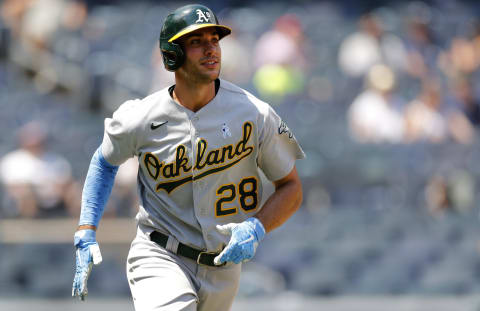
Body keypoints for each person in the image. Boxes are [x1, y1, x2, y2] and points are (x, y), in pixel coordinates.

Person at [71, 4, 305, 311]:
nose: (211, 50)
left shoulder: (255, 113)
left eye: (214, 40)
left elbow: (291, 187)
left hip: (223, 266)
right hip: (161, 254)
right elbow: (104, 161)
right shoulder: (142, 117)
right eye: (197, 42)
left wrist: (257, 228)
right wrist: (87, 229)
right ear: (172, 54)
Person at [0, 121, 80, 218]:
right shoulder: (12, 160)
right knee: (25, 193)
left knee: (75, 191)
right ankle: (28, 225)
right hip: (27, 198)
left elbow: (66, 182)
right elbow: (13, 186)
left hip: (54, 196)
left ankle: (80, 225)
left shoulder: (55, 159)